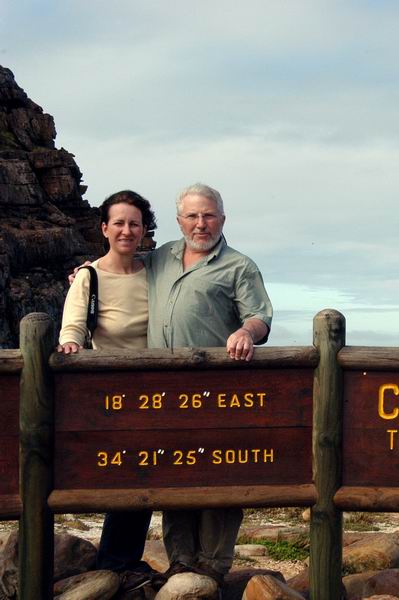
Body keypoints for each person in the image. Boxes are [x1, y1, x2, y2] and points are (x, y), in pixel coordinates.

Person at [145, 183, 272, 585]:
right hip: (162, 393)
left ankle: (214, 566)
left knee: (220, 473)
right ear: (179, 219)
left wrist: (246, 332)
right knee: (173, 471)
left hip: (218, 392)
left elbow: (260, 317)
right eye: (192, 216)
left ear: (222, 218)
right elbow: (118, 269)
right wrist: (86, 274)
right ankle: (181, 561)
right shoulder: (159, 257)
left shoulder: (239, 265)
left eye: (209, 215)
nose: (201, 224)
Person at [58, 190, 159, 592]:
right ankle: (116, 564)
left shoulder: (156, 270)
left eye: (134, 223)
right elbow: (73, 325)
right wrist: (70, 346)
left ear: (144, 230)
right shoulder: (89, 276)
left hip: (159, 391)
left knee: (150, 472)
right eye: (118, 222)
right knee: (128, 472)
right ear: (104, 228)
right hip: (113, 395)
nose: (126, 230)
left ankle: (122, 563)